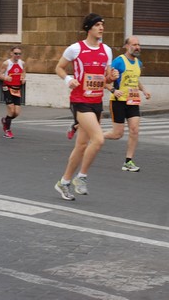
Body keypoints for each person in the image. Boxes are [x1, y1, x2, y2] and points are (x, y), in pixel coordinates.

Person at [54, 13, 118, 200]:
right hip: (80, 101)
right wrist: (68, 79)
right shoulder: (75, 49)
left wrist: (111, 77)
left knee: (81, 145)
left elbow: (105, 77)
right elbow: (59, 67)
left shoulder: (106, 50)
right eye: (98, 25)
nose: (101, 28)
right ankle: (81, 178)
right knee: (98, 140)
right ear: (89, 28)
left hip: (97, 101)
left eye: (103, 25)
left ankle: (63, 182)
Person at [103, 36, 151, 172]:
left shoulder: (138, 63)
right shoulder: (118, 62)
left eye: (138, 44)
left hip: (133, 100)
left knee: (134, 130)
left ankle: (128, 161)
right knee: (117, 134)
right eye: (134, 44)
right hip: (118, 101)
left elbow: (136, 80)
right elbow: (105, 80)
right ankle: (96, 137)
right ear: (126, 46)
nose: (137, 47)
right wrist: (113, 90)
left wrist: (144, 90)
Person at [0, 46, 26, 139]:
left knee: (16, 113)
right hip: (7, 87)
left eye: (19, 54)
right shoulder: (6, 63)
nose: (17, 55)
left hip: (17, 88)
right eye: (15, 53)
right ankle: (7, 131)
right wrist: (5, 78)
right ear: (11, 53)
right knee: (11, 109)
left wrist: (23, 78)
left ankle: (5, 120)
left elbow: (23, 73)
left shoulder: (22, 63)